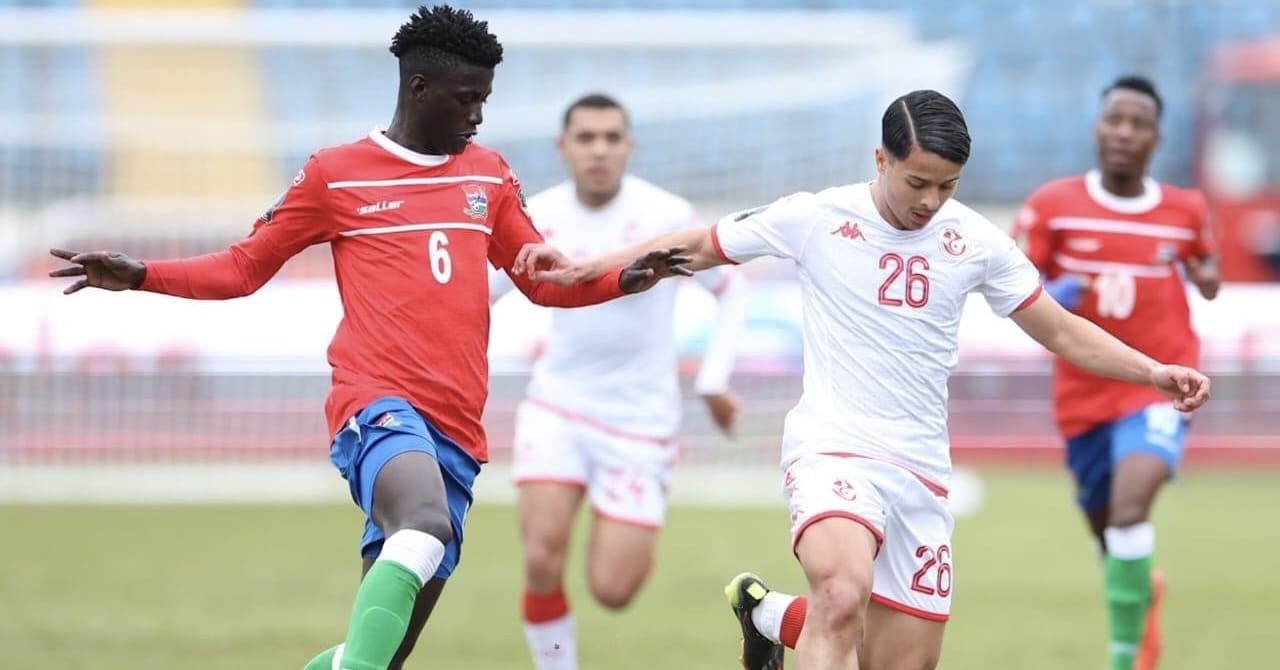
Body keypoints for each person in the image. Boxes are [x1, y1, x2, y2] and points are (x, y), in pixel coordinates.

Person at [46, 6, 688, 670]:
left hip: (457, 430)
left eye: (484, 99)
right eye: (466, 99)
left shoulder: (489, 175)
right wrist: (143, 275)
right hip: (376, 402)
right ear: (418, 88)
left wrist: (623, 279)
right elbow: (243, 269)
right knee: (425, 523)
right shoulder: (337, 173)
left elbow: (543, 281)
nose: (477, 115)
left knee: (380, 656)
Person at [530, 89, 1212, 670]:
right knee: (841, 595)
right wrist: (587, 269)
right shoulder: (816, 217)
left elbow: (1060, 330)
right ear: (881, 160)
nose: (931, 201)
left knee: (896, 659)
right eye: (918, 183)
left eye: (948, 186)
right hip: (833, 448)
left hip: (920, 469)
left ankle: (769, 618)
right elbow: (697, 245)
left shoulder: (976, 241)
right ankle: (801, 616)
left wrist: (1152, 371)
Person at [488, 93, 747, 670]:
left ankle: (630, 531)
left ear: (629, 146)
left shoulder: (664, 214)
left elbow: (731, 291)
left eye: (611, 138)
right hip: (557, 406)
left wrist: (713, 381)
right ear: (562, 147)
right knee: (541, 559)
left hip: (640, 421)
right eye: (586, 138)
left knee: (612, 589)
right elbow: (481, 296)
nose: (599, 150)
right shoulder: (537, 217)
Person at [1013, 75, 1220, 670]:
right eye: (1115, 120)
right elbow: (1014, 286)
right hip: (1083, 394)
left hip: (1159, 386)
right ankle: (1142, 599)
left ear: (1157, 137)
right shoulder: (1052, 206)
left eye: (1139, 124)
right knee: (1112, 540)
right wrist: (1053, 291)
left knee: (1131, 510)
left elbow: (1208, 273)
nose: (1125, 133)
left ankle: (1125, 660)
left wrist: (1206, 275)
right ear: (1097, 128)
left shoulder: (1185, 210)